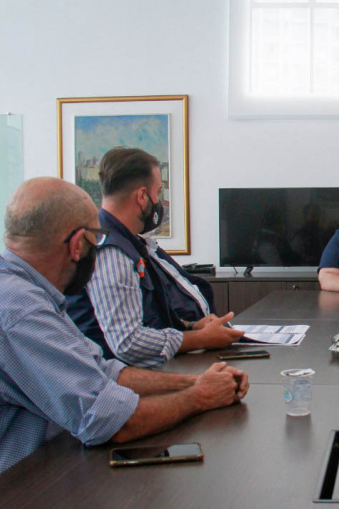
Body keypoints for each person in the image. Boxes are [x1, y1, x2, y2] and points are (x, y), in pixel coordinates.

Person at [0, 177, 249, 509]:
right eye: (97, 238)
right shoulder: (15, 311)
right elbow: (109, 422)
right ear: (78, 244)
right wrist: (200, 397)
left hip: (6, 484)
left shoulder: (8, 282)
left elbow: (103, 371)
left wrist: (195, 381)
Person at [67, 147, 244, 368]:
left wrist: (192, 327)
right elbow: (128, 343)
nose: (158, 201)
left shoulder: (130, 242)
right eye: (158, 193)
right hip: (121, 383)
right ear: (142, 197)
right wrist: (201, 339)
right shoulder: (112, 252)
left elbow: (150, 317)